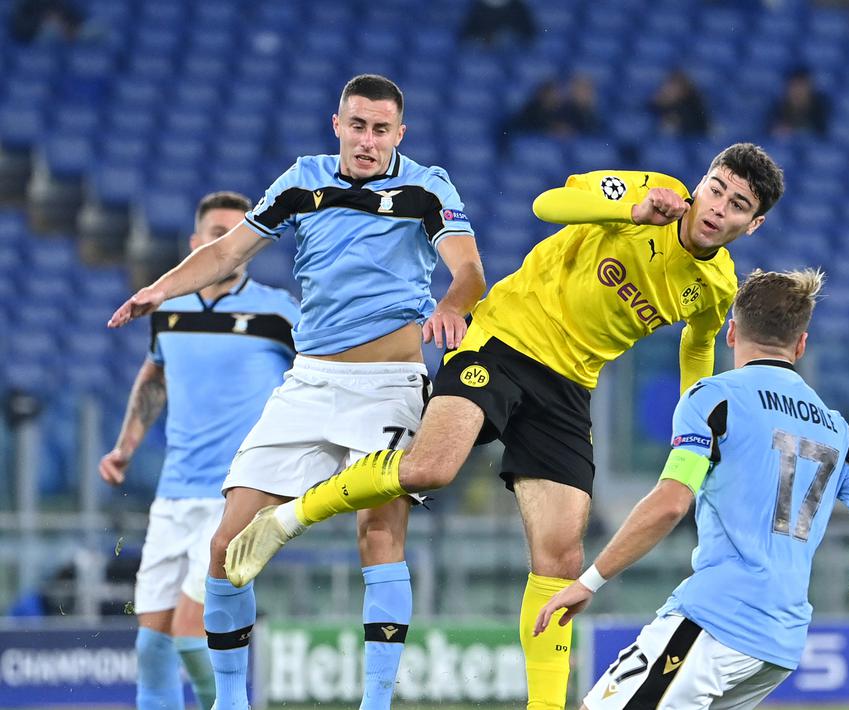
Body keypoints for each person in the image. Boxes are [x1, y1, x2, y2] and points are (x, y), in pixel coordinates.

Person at [225, 142, 786, 709]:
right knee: (430, 470)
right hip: (503, 340)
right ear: (703, 179)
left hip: (569, 388)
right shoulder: (649, 190)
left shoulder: (717, 287)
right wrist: (629, 213)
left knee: (562, 559)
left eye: (737, 205)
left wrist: (693, 409)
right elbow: (550, 203)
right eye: (715, 188)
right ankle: (290, 517)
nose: (718, 207)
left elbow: (699, 341)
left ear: (753, 223)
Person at [107, 74, 485, 710]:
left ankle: (375, 702)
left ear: (400, 134)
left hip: (390, 386)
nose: (368, 141)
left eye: (381, 130)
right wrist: (161, 289)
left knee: (379, 534)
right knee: (227, 546)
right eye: (357, 126)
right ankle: (231, 702)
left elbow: (469, 268)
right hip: (310, 383)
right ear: (337, 124)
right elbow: (228, 251)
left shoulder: (427, 185)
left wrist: (452, 304)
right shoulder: (302, 180)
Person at [533, 268, 849, 708]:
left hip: (718, 620)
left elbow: (670, 505)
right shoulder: (834, 427)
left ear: (731, 333)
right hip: (778, 643)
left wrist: (589, 581)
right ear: (801, 344)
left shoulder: (714, 398)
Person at [99, 191, 298, 710]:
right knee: (152, 647)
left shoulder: (281, 312)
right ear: (195, 244)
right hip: (172, 495)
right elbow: (155, 376)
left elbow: (319, 383)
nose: (228, 244)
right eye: (217, 235)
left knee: (192, 636)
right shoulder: (168, 310)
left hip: (235, 496)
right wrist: (124, 447)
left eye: (237, 236)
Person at [768, 68, 830, 138]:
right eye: (795, 88)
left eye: (802, 88)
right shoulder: (778, 109)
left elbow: (824, 135)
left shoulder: (821, 109)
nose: (798, 93)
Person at [650, 70, 711, 136]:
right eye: (668, 84)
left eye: (674, 86)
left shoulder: (691, 112)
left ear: (684, 91)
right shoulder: (655, 105)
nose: (667, 89)